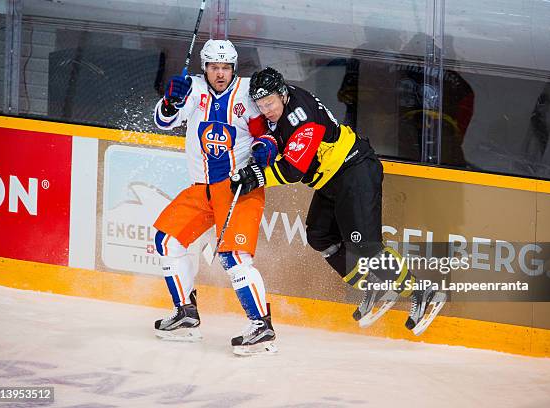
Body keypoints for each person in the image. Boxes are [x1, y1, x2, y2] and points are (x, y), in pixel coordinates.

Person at [231, 67, 446, 335]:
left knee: (367, 247)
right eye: (261, 105)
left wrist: (256, 176)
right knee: (320, 235)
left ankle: (421, 291)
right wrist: (268, 144)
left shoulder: (303, 117)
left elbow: (292, 171)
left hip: (353, 171)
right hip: (331, 179)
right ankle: (374, 284)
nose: (266, 110)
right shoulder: (282, 107)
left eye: (270, 103)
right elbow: (277, 133)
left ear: (283, 95)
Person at [151, 40, 277, 355]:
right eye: (214, 67)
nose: (220, 74)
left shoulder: (248, 94)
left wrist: (265, 147)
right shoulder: (192, 89)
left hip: (237, 188)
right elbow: (164, 121)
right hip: (200, 188)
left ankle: (261, 325)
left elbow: (270, 131)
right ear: (204, 67)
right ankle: (185, 312)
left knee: (233, 257)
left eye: (225, 68)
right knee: (166, 240)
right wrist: (169, 101)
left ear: (234, 68)